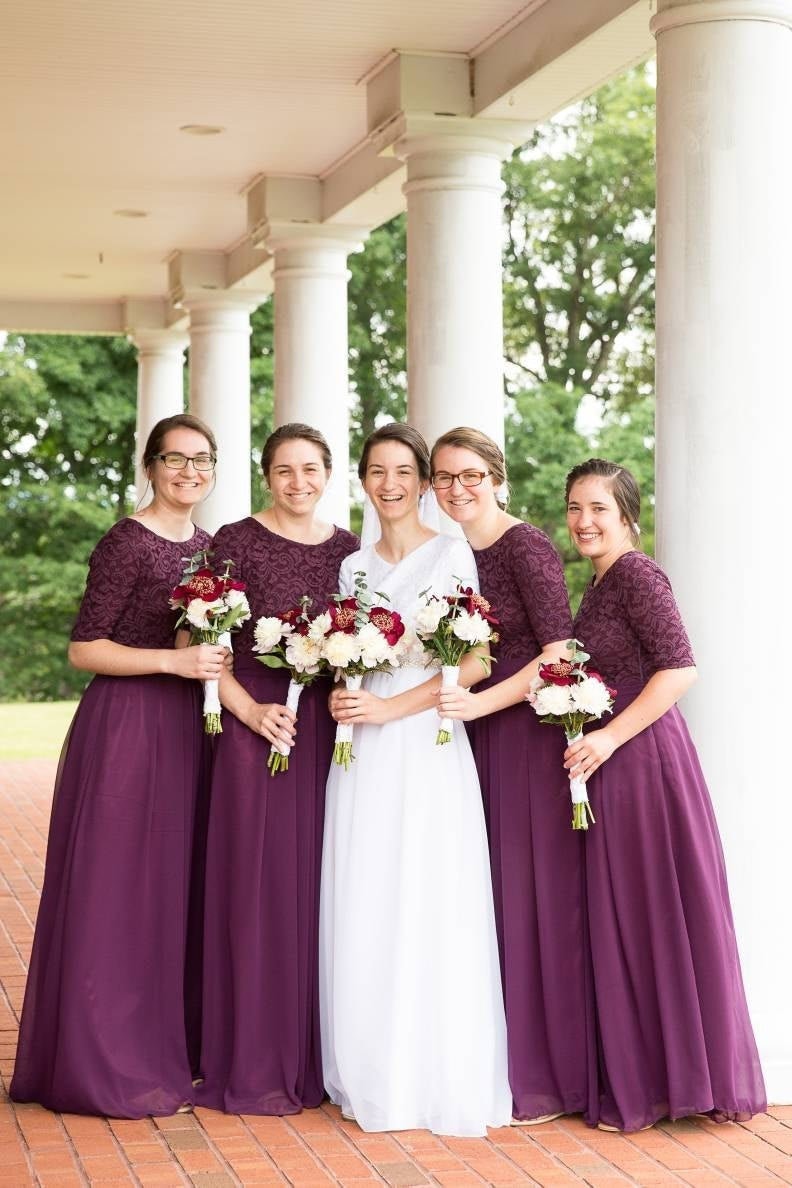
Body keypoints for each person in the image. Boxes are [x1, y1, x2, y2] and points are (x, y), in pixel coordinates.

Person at [11, 414, 226, 1118]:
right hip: (127, 728)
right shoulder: (126, 542)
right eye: (175, 459)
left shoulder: (207, 549)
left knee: (170, 891)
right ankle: (102, 1059)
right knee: (117, 890)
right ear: (150, 465)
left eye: (202, 460)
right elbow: (84, 647)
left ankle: (168, 1046)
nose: (188, 472)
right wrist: (173, 659)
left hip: (187, 729)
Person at [319, 422, 511, 1137]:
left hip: (425, 743)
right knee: (367, 888)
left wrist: (386, 707)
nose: (390, 484)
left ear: (425, 483)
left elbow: (475, 662)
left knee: (426, 892)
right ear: (363, 481)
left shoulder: (452, 554)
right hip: (362, 749)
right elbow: (347, 655)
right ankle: (372, 1065)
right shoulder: (353, 567)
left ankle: (428, 1071)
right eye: (377, 471)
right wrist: (344, 687)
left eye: (405, 471)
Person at [564, 457, 766, 1131]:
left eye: (599, 509)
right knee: (631, 915)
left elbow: (680, 670)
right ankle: (652, 1074)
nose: (585, 521)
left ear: (628, 517)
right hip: (609, 761)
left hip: (643, 760)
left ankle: (685, 1078)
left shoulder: (637, 574)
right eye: (576, 509)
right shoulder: (597, 584)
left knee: (656, 910)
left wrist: (609, 738)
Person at [430, 427, 592, 1125]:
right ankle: (497, 1060)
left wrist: (478, 704)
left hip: (522, 736)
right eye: (443, 478)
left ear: (496, 476)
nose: (456, 489)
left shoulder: (523, 545)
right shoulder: (453, 554)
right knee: (488, 899)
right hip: (475, 738)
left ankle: (548, 1078)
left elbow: (557, 652)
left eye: (469, 475)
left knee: (531, 900)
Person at [196, 423, 358, 1115]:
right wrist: (249, 712)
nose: (298, 482)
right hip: (255, 727)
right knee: (256, 885)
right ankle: (254, 1052)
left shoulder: (352, 552)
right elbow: (201, 641)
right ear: (267, 475)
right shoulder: (232, 541)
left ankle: (319, 1052)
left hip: (327, 731)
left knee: (322, 886)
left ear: (328, 473)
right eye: (284, 470)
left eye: (310, 469)